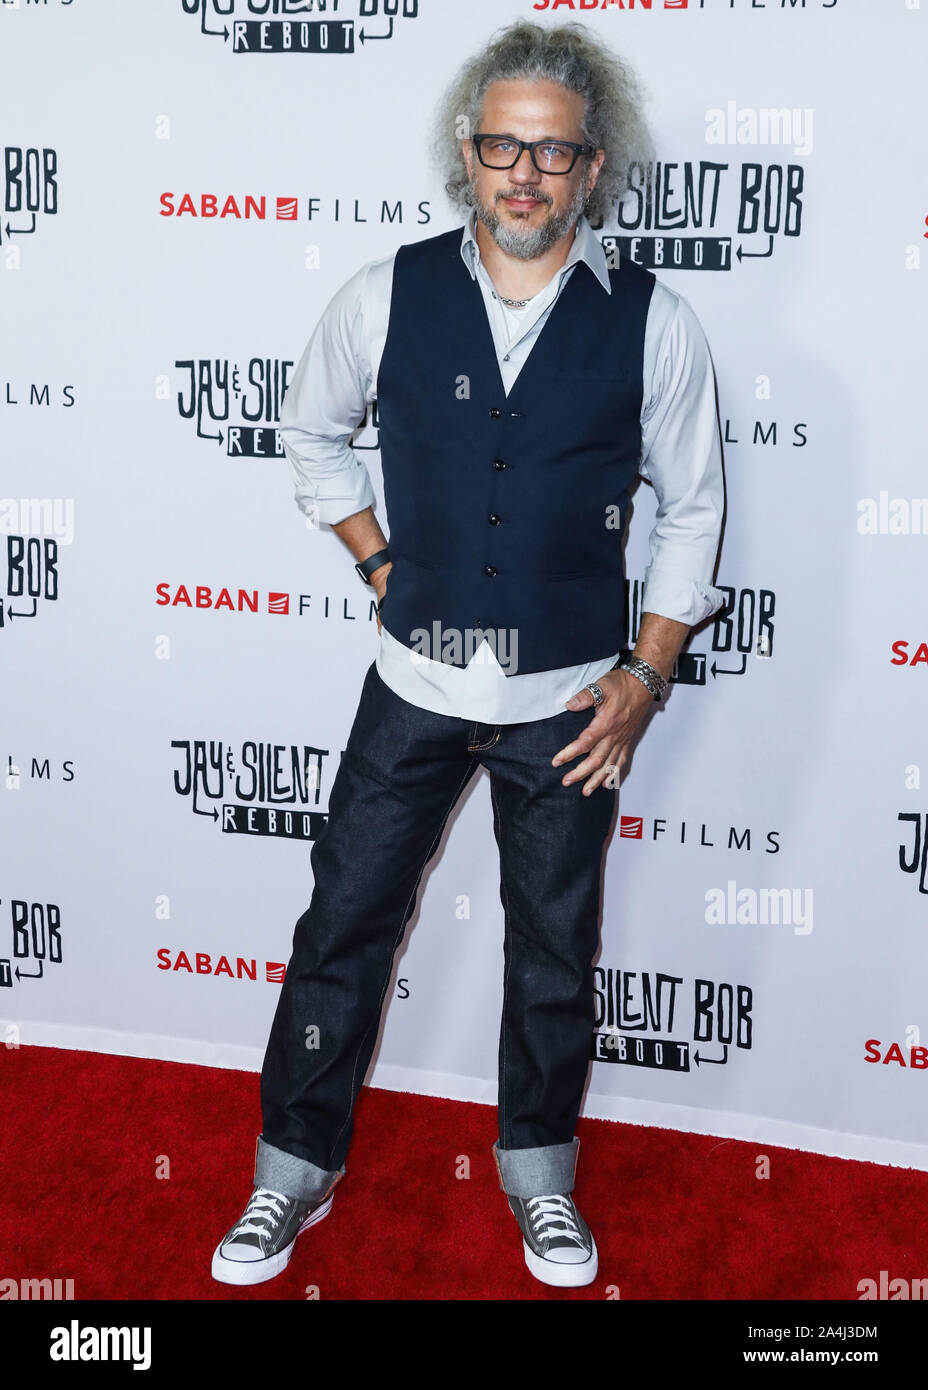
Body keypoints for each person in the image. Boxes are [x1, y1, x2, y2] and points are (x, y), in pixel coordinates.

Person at [212, 19, 725, 1291]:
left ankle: (538, 1174)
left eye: (553, 154)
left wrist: (645, 675)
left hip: (569, 702)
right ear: (468, 148)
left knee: (554, 944)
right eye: (504, 144)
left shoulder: (654, 324)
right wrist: (383, 567)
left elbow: (696, 509)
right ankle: (291, 1171)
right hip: (414, 684)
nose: (524, 175)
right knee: (342, 924)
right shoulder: (384, 294)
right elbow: (311, 438)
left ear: (593, 167)